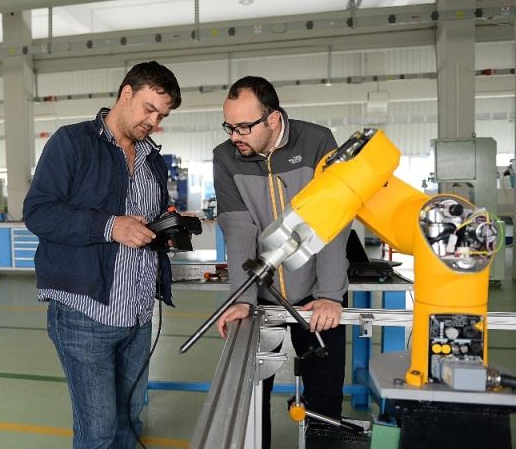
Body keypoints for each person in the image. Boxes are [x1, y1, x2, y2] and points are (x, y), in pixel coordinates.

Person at [23, 61, 181, 449]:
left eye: (162, 116)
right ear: (126, 94)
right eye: (149, 109)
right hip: (85, 313)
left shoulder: (152, 159)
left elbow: (142, 221)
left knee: (129, 421)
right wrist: (111, 226)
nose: (154, 122)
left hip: (139, 314)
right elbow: (39, 212)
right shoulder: (71, 142)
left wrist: (165, 229)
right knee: (98, 433)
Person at [213, 76, 349, 449]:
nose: (234, 136)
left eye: (243, 127)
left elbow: (333, 220)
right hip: (262, 296)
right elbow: (238, 228)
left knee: (323, 400)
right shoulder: (225, 157)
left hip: (316, 296)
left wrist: (330, 294)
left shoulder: (317, 141)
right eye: (229, 126)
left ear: (272, 119)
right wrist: (242, 299)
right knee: (252, 400)